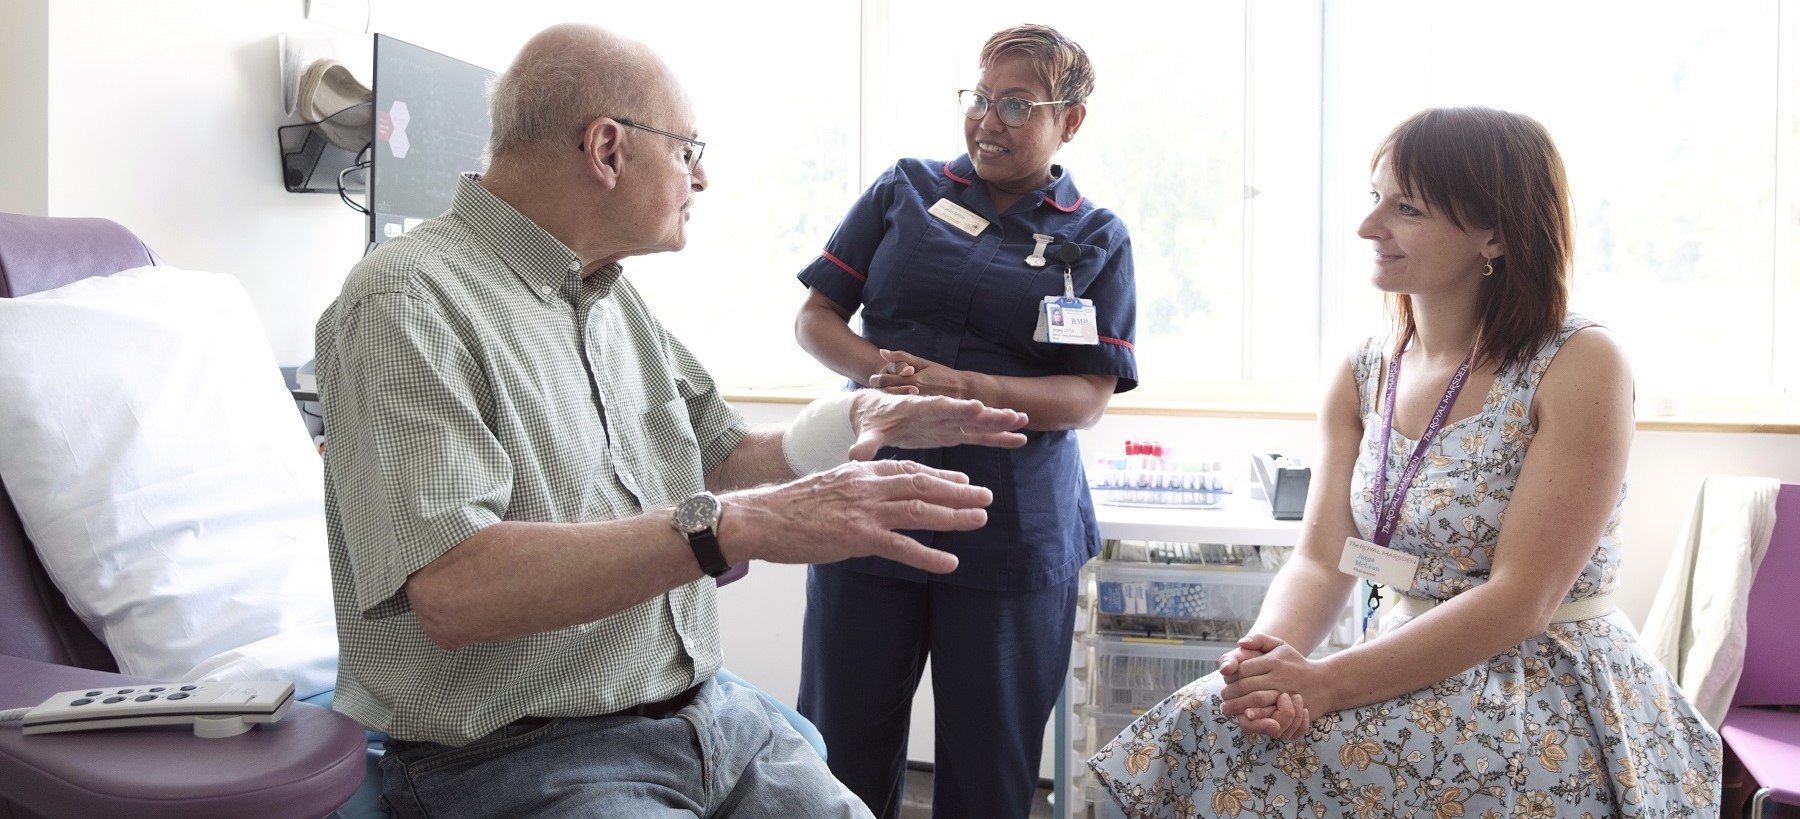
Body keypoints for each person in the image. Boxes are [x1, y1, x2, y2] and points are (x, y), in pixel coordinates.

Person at [314, 23, 1032, 819]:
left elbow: (723, 458)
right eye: (687, 150)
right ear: (608, 150)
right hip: (522, 754)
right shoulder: (407, 302)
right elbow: (455, 591)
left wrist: (859, 414)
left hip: (710, 719)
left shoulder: (609, 296)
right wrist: (732, 528)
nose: (703, 176)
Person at [1089, 107, 1723, 817]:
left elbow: (1522, 599)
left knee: (1221, 757)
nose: (1369, 227)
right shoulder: (1364, 370)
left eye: (1407, 207)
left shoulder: (1578, 363)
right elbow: (1321, 558)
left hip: (1535, 679)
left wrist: (1326, 683)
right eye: (1374, 198)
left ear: (1497, 233)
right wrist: (1264, 666)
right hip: (1394, 651)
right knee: (1194, 726)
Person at [792, 23, 1137, 819]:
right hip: (872, 497)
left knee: (990, 766)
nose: (989, 119)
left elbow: (1086, 393)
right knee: (835, 750)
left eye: (1016, 104)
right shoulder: (904, 189)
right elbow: (816, 318)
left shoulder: (1095, 237)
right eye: (979, 98)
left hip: (1013, 528)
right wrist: (884, 373)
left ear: (1070, 120)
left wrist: (963, 385)